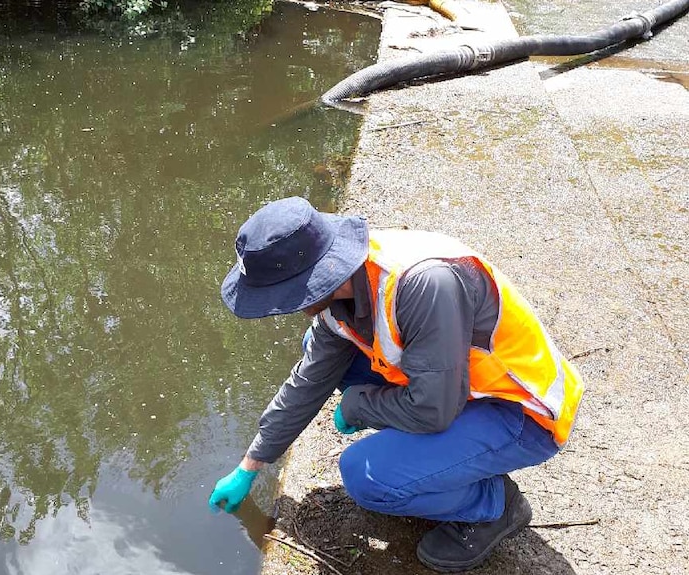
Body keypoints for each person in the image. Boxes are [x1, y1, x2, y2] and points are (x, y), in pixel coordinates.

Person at [208, 196, 584, 572]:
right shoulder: (343, 288)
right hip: (454, 388)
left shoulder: (421, 284)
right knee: (320, 350)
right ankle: (447, 461)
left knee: (368, 477)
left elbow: (433, 411)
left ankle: (494, 505)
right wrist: (251, 464)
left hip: (520, 412)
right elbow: (309, 380)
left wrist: (358, 405)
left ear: (309, 278)